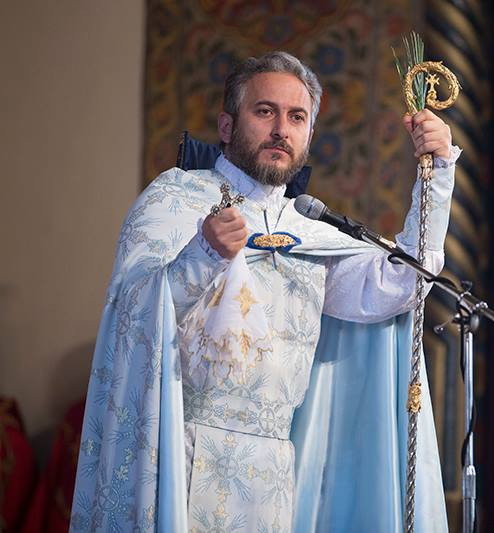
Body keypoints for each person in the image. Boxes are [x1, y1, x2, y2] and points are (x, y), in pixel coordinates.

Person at [70, 52, 459, 532]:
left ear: (309, 134)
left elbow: (399, 283)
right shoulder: (176, 199)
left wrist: (438, 174)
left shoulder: (312, 229)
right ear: (227, 126)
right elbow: (131, 314)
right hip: (181, 457)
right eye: (265, 111)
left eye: (296, 117)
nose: (281, 130)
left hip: (274, 471)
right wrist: (203, 254)